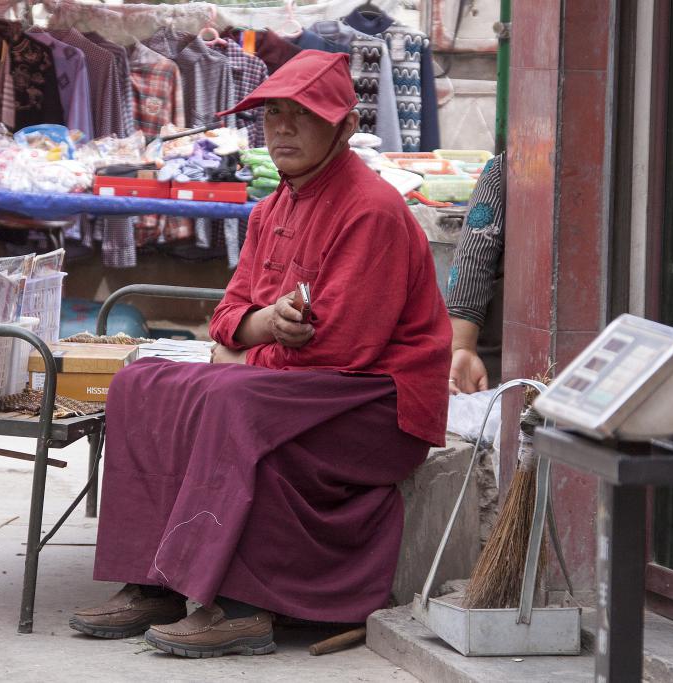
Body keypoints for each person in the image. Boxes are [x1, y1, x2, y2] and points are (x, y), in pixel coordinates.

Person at [69, 50, 451, 658]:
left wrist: (242, 357)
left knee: (231, 398)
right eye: (274, 115)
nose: (283, 130)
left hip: (376, 407)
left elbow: (342, 353)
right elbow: (226, 314)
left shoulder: (372, 208)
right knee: (139, 383)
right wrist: (260, 327)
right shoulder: (272, 206)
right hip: (295, 385)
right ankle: (156, 582)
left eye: (302, 116)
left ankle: (242, 611)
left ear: (346, 126)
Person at [446, 152, 505, 395]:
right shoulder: (503, 171)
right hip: (494, 371)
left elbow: (473, 258)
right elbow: (472, 262)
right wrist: (462, 348)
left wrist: (462, 348)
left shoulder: (504, 169)